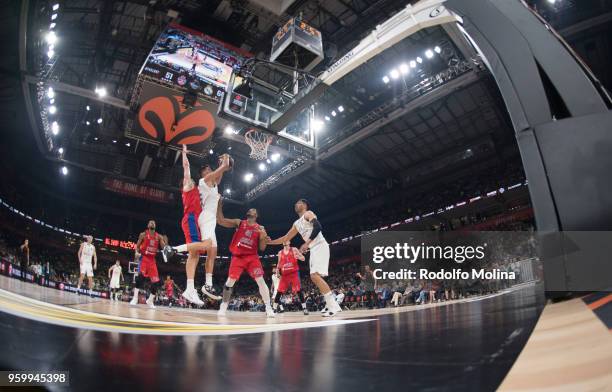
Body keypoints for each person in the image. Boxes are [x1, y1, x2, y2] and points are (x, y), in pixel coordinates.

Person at [267, 199, 342, 317]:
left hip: (320, 245)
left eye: (299, 203)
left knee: (314, 276)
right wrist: (270, 242)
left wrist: (306, 243)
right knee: (315, 277)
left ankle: (333, 305)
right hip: (313, 248)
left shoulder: (308, 214)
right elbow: (285, 237)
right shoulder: (296, 223)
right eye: (295, 203)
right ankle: (329, 304)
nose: (296, 204)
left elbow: (318, 227)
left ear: (305, 205)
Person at [170, 145, 215, 305]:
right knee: (197, 248)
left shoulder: (197, 190)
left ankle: (190, 289)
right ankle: (173, 249)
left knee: (195, 253)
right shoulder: (188, 185)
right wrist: (184, 153)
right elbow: (186, 167)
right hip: (190, 219)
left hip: (194, 220)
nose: (188, 179)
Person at [216, 198, 274, 317]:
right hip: (238, 257)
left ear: (256, 215)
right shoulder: (239, 222)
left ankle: (268, 307)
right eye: (249, 209)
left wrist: (263, 237)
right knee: (230, 281)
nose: (250, 210)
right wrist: (219, 205)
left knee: (260, 280)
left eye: (253, 210)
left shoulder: (260, 228)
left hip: (252, 257)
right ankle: (223, 305)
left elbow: (262, 248)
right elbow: (220, 221)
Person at [198, 153, 231, 299]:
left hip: (210, 218)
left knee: (213, 252)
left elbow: (220, 174)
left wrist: (222, 167)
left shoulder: (213, 185)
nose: (209, 171)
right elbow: (222, 169)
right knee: (207, 246)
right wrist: (225, 161)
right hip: (205, 216)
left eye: (210, 169)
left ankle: (208, 284)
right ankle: (174, 250)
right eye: (207, 170)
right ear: (203, 174)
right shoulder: (203, 181)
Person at [130, 220, 168, 308]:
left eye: (153, 222)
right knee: (140, 278)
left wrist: (165, 242)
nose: (152, 223)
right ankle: (135, 298)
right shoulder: (143, 234)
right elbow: (138, 246)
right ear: (148, 225)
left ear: (155, 226)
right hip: (144, 258)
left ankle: (150, 300)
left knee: (156, 282)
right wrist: (136, 252)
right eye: (150, 222)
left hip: (152, 260)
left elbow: (163, 248)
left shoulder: (158, 236)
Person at [273, 241, 309, 315]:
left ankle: (304, 308)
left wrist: (298, 256)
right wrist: (277, 271)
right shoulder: (280, 252)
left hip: (294, 274)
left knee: (298, 290)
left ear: (289, 242)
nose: (285, 242)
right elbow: (279, 263)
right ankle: (274, 309)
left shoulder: (294, 249)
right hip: (284, 275)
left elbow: (303, 258)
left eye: (286, 240)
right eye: (284, 241)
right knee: (279, 292)